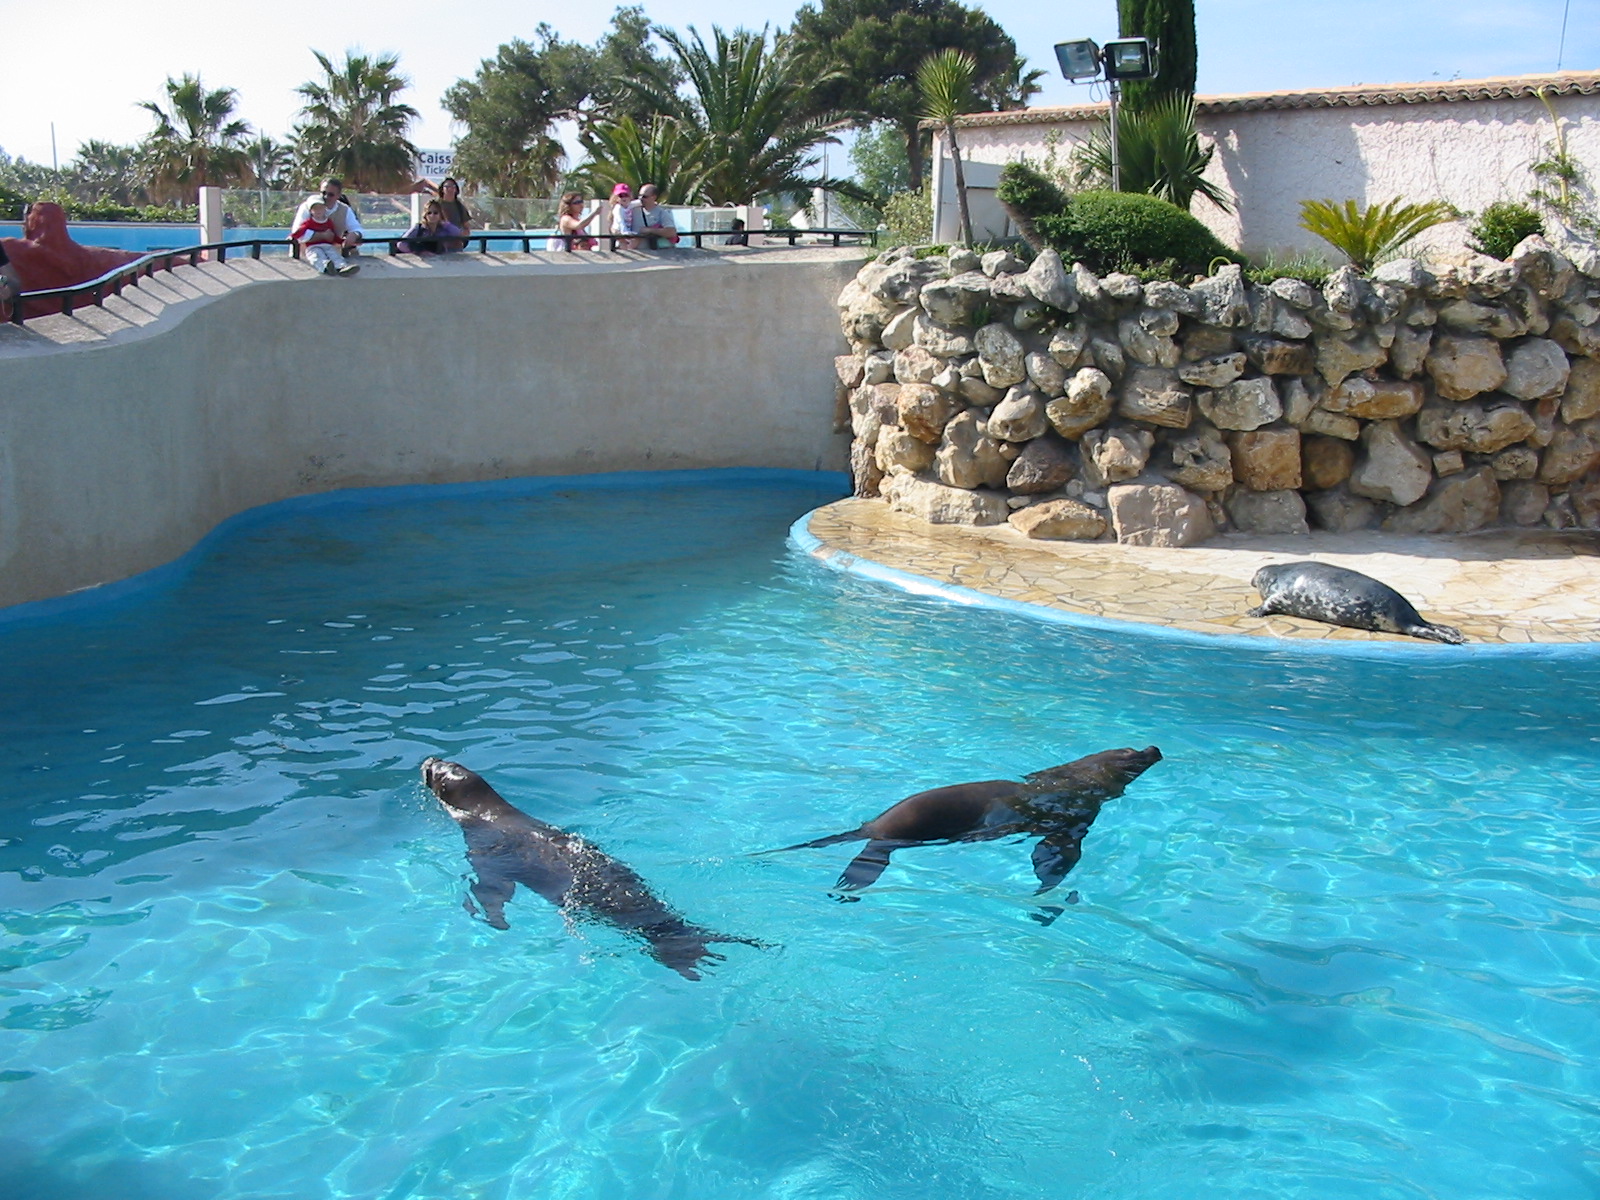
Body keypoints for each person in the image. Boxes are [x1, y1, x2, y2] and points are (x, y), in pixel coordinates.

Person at [292, 178, 363, 257]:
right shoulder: (307, 207)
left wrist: (354, 234)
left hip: (333, 258)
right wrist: (323, 235)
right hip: (305, 259)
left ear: (338, 195)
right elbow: (297, 233)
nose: (326, 197)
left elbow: (357, 228)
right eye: (323, 193)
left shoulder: (345, 209)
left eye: (330, 194)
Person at [292, 196, 359, 275]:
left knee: (334, 254)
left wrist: (341, 241)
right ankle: (325, 267)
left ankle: (342, 267)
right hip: (313, 246)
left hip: (327, 245)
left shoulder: (328, 222)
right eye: (315, 209)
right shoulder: (308, 222)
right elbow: (299, 231)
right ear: (310, 211)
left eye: (320, 208)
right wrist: (293, 236)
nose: (318, 211)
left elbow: (333, 235)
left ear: (324, 209)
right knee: (315, 256)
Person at [399, 199, 464, 255]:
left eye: (435, 213)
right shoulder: (418, 228)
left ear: (440, 214)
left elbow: (458, 233)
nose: (432, 215)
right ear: (425, 215)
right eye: (429, 213)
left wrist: (445, 223)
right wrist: (418, 252)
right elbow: (401, 244)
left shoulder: (443, 229)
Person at [634, 184, 680, 249]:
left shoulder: (662, 213)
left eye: (644, 196)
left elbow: (671, 232)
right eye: (639, 196)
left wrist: (650, 230)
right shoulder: (633, 210)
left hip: (657, 254)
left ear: (654, 197)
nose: (640, 199)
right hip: (637, 254)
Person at [436, 177, 471, 248]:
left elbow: (467, 227)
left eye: (453, 186)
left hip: (456, 244)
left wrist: (461, 235)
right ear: (442, 189)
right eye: (447, 187)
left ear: (456, 190)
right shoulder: (436, 205)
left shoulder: (460, 207)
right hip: (439, 243)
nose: (450, 189)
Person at [609, 182, 639, 250]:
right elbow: (620, 220)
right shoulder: (618, 208)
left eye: (626, 195)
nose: (624, 198)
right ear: (616, 198)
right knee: (623, 243)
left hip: (626, 229)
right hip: (619, 229)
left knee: (637, 239)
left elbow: (637, 203)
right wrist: (624, 232)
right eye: (621, 196)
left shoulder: (629, 205)